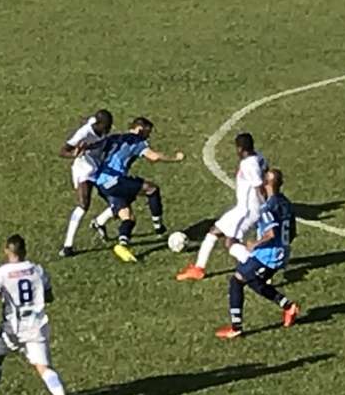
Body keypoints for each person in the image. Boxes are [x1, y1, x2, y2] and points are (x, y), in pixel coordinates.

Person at [0, 234, 78, 395]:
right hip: (36, 326)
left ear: (7, 251)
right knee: (44, 369)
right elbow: (49, 297)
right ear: (25, 251)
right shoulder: (38, 270)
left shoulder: (0, 274)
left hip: (12, 329)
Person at [215, 169, 301, 339]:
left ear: (266, 184)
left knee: (237, 281)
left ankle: (236, 327)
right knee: (255, 282)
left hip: (267, 256)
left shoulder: (267, 207)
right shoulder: (286, 204)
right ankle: (288, 306)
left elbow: (271, 233)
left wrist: (254, 244)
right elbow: (292, 231)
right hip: (282, 252)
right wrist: (283, 248)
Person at [177, 132, 267, 281]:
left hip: (247, 210)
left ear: (240, 149)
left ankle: (259, 268)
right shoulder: (260, 156)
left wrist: (266, 205)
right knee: (214, 231)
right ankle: (198, 269)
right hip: (243, 208)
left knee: (230, 242)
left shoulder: (248, 164)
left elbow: (259, 187)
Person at [93, 117, 185, 263]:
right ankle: (158, 227)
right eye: (147, 133)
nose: (148, 137)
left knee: (128, 217)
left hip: (101, 184)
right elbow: (153, 157)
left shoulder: (115, 137)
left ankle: (122, 245)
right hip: (115, 181)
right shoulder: (136, 140)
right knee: (151, 189)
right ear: (140, 129)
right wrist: (175, 158)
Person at [58, 109, 118, 257]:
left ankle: (99, 222)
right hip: (84, 170)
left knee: (119, 198)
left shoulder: (98, 125)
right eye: (106, 126)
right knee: (84, 204)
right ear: (99, 124)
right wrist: (74, 153)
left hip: (101, 168)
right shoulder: (84, 133)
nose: (109, 129)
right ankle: (68, 245)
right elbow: (63, 151)